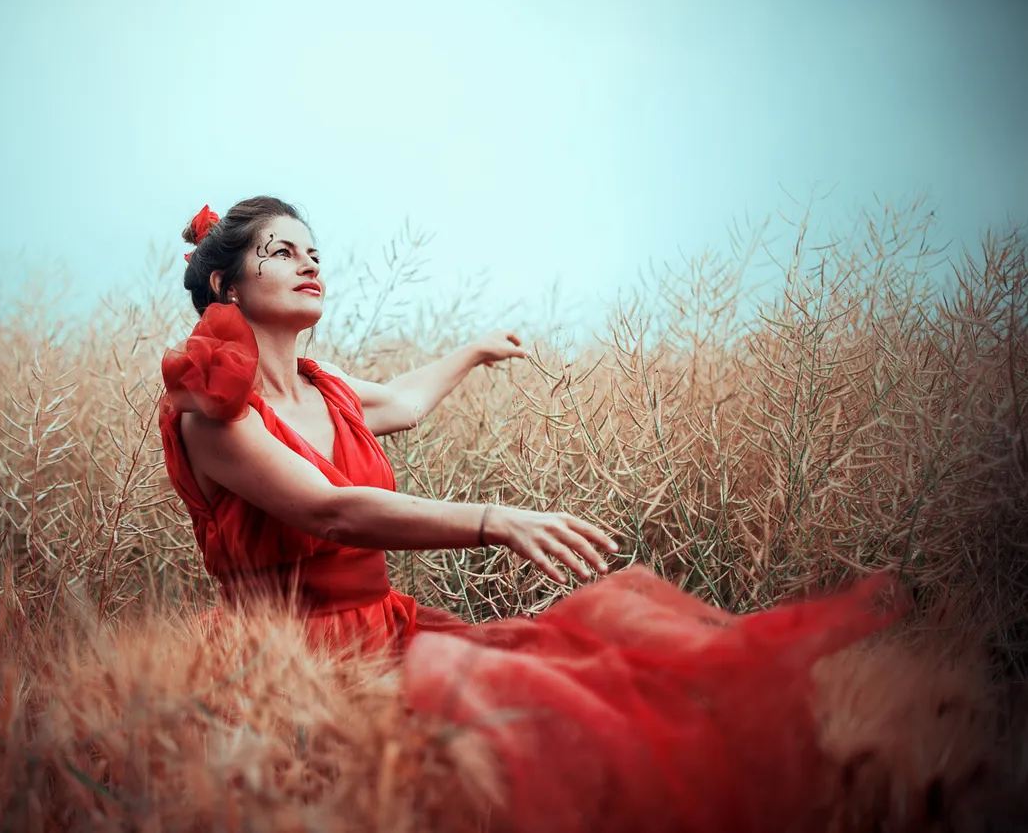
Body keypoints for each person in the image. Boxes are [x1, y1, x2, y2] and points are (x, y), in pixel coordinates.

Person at [159, 196, 909, 832]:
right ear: (225, 281)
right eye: (283, 252)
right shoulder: (213, 413)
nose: (311, 265)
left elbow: (404, 403)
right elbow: (332, 511)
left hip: (384, 626)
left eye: (315, 252)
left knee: (570, 708)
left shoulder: (327, 388)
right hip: (287, 656)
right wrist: (496, 519)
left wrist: (473, 352)